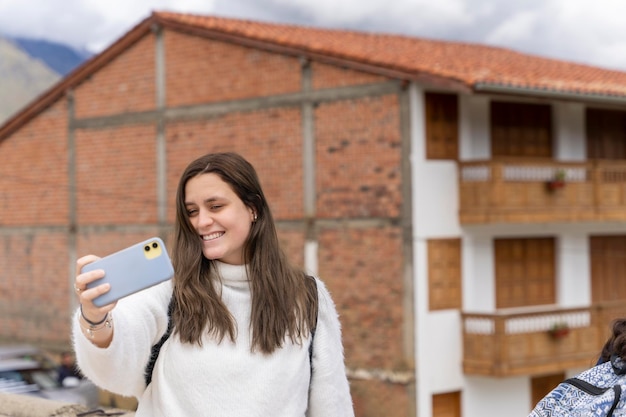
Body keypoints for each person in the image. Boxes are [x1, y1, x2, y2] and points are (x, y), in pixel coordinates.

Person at [72, 152, 354, 417]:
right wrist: (96, 318)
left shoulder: (307, 296)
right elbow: (113, 366)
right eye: (192, 211)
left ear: (252, 208)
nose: (202, 222)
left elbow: (332, 404)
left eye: (216, 206)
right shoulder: (169, 290)